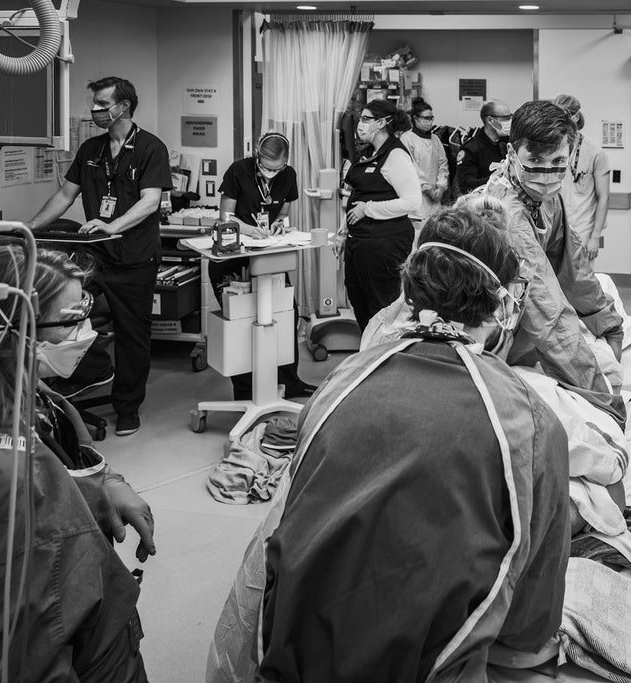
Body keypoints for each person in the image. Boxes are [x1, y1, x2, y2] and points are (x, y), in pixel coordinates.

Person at [207, 207, 570, 682]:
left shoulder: (341, 381)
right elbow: (528, 625)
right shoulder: (530, 422)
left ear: (409, 289)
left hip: (288, 662)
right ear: (501, 304)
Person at [0, 244, 153, 681]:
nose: (86, 331)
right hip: (72, 639)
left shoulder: (40, 397)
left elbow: (70, 459)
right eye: (69, 321)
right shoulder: (8, 469)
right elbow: (32, 645)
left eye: (85, 311)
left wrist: (109, 484)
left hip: (99, 614)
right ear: (13, 328)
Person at [26, 76, 172, 437]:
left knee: (132, 335)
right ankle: (70, 386)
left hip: (135, 258)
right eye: (93, 104)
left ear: (123, 106)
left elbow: (151, 201)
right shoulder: (91, 150)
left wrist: (113, 224)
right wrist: (26, 229)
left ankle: (127, 408)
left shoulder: (151, 148)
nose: (94, 111)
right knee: (62, 320)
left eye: (101, 104)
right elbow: (64, 196)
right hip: (95, 258)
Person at [481, 99, 626, 424]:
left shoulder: (545, 197)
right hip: (485, 334)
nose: (547, 173)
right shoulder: (508, 215)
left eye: (558, 162)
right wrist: (605, 402)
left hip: (522, 321)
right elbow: (547, 311)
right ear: (511, 153)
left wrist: (607, 322)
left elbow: (570, 265)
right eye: (534, 160)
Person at [208, 132, 316, 400]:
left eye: (276, 168)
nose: (270, 173)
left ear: (285, 162)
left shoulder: (288, 176)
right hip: (234, 259)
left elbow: (283, 212)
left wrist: (280, 223)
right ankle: (245, 392)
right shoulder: (238, 171)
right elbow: (225, 217)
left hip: (268, 258)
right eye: (265, 167)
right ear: (257, 157)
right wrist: (249, 230)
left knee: (286, 315)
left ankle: (289, 383)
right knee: (242, 323)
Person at [343, 99, 421, 330]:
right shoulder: (369, 152)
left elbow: (411, 201)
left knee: (382, 305)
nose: (361, 124)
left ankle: (383, 356)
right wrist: (345, 227)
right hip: (360, 241)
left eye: (367, 119)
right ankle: (369, 352)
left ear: (383, 122)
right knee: (359, 300)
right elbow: (360, 190)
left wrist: (367, 208)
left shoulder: (395, 155)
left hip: (385, 243)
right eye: (361, 119)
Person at [552, 94, 611, 261]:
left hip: (582, 230)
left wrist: (595, 237)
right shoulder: (551, 149)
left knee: (582, 282)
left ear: (575, 117)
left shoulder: (595, 153)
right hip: (555, 228)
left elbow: (604, 197)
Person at [401, 97, 449, 228]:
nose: (430, 121)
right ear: (416, 119)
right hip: (417, 199)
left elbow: (443, 164)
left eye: (431, 118)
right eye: (426, 118)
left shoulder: (436, 139)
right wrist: (428, 189)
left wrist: (440, 187)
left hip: (435, 199)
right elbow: (411, 168)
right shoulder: (407, 139)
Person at [455, 99, 512, 194]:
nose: (509, 121)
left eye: (510, 117)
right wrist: (498, 179)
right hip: (483, 203)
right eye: (505, 118)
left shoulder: (510, 143)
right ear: (490, 120)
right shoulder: (470, 149)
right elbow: (466, 185)